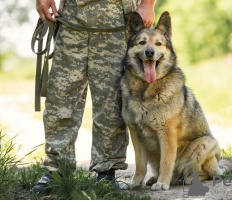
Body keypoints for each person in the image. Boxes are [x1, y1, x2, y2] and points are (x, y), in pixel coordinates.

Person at [31, 0, 156, 193]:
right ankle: (56, 170)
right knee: (60, 98)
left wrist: (148, 3)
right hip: (72, 17)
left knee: (112, 101)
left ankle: (106, 173)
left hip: (116, 17)